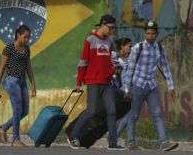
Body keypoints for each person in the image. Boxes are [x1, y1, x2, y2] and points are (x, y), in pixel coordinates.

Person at [68, 14, 123, 150]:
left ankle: (113, 143)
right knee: (91, 111)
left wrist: (114, 70)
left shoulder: (110, 42)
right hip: (93, 81)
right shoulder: (90, 40)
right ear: (103, 25)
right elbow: (83, 62)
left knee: (111, 111)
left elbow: (110, 61)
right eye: (110, 27)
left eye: (113, 28)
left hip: (107, 82)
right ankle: (73, 136)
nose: (112, 30)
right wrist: (79, 82)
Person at [122, 21, 178, 151]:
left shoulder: (159, 47)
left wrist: (171, 86)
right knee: (134, 115)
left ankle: (164, 142)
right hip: (138, 85)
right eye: (148, 33)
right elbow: (130, 69)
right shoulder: (138, 48)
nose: (150, 36)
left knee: (157, 114)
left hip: (152, 86)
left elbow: (165, 67)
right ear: (145, 34)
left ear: (157, 34)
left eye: (153, 33)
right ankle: (131, 142)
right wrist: (127, 89)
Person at [0, 25, 37, 147]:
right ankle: (15, 139)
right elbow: (1, 69)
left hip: (22, 82)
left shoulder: (27, 49)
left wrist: (33, 85)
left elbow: (29, 67)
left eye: (28, 37)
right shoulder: (8, 48)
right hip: (11, 81)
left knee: (24, 111)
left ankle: (3, 128)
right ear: (18, 35)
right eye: (25, 37)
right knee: (17, 110)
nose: (27, 40)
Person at [112, 38, 132, 138]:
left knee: (129, 115)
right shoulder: (114, 58)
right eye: (129, 46)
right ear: (122, 47)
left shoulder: (131, 59)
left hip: (128, 90)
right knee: (125, 115)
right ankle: (114, 136)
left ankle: (129, 140)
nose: (131, 48)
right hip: (118, 91)